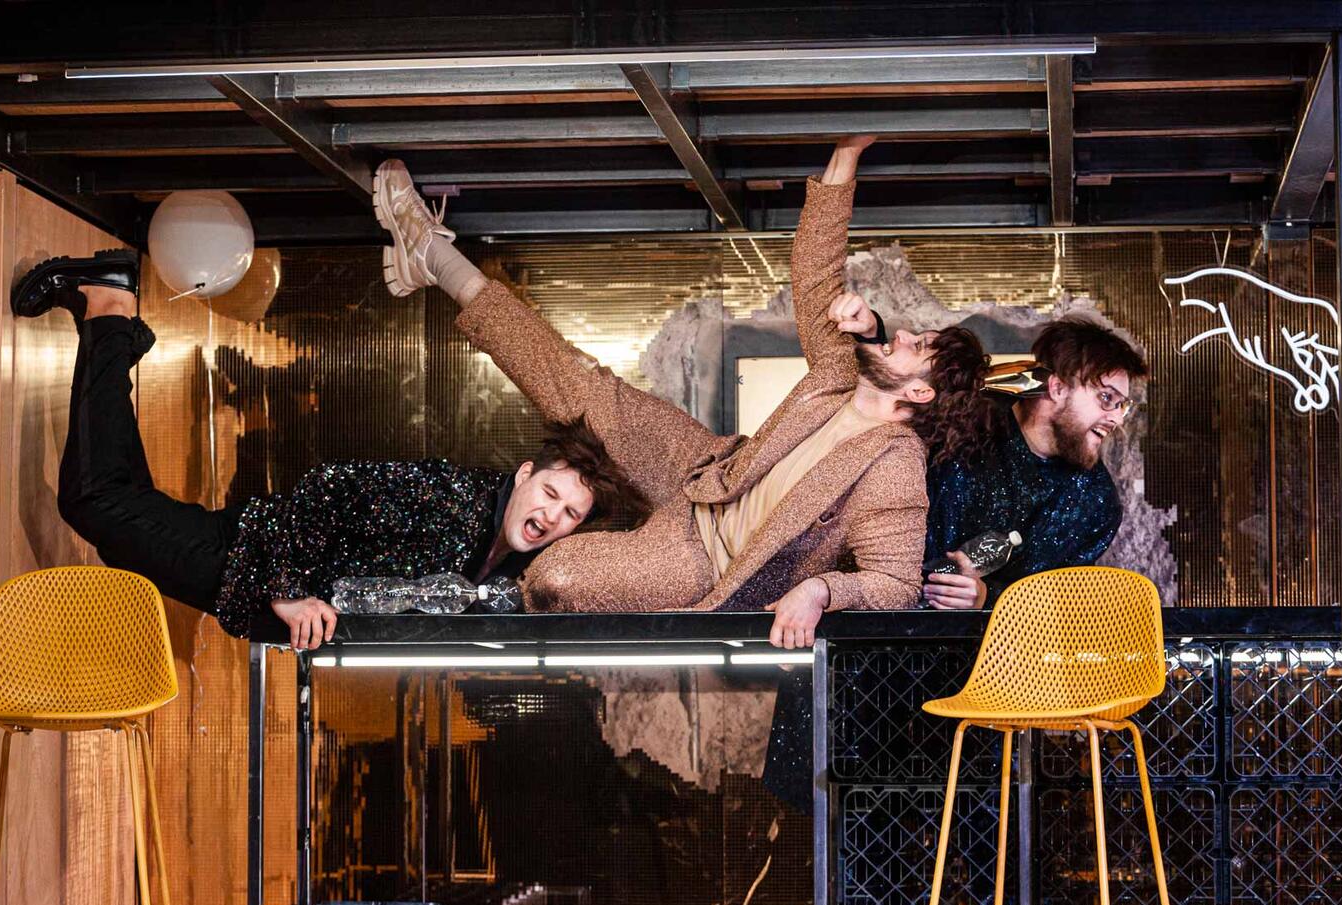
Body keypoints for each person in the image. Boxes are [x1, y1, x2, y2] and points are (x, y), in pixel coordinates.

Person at [371, 136, 979, 648]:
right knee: (584, 388)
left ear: (920, 394)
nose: (902, 335)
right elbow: (815, 272)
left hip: (705, 557)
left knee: (559, 579)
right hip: (708, 469)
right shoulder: (841, 370)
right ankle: (432, 255)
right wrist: (846, 152)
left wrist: (820, 589)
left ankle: (451, 589)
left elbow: (895, 584)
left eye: (918, 346)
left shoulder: (894, 466)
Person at [10, 250, 644, 649]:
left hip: (265, 593)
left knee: (122, 513)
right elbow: (331, 487)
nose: (551, 515)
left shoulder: (507, 570)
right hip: (253, 559)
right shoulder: (456, 499)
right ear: (526, 474)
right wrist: (287, 587)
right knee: (95, 501)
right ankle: (109, 308)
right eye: (551, 493)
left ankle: (111, 320)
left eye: (570, 514)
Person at [917, 318, 1149, 609]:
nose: (1116, 419)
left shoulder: (1096, 502)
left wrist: (988, 598)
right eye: (1106, 398)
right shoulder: (961, 427)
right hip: (891, 623)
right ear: (1057, 388)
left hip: (1008, 639)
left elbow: (1064, 608)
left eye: (1121, 406)